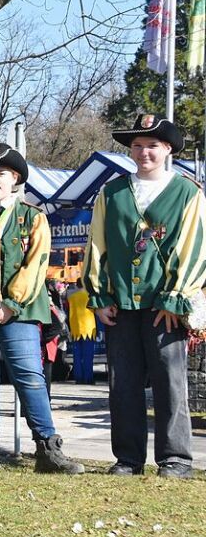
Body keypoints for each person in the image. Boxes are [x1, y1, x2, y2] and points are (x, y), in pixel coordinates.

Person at [0, 142, 83, 474]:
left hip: (19, 312)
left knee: (29, 376)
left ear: (16, 178)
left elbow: (35, 265)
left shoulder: (32, 217)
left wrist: (10, 305)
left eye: (1, 174)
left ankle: (48, 449)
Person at [83, 114, 206, 479]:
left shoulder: (187, 192)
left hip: (162, 306)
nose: (143, 152)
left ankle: (175, 459)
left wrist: (175, 298)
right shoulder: (112, 192)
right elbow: (97, 245)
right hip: (121, 303)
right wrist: (99, 294)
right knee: (123, 383)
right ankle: (128, 458)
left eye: (152, 145)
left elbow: (194, 248)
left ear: (167, 149)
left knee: (170, 382)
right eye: (137, 146)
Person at [67, 279, 97, 384]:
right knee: (88, 355)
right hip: (88, 328)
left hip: (75, 328)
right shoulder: (90, 296)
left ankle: (78, 378)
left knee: (77, 356)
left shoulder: (71, 298)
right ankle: (88, 378)